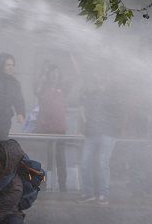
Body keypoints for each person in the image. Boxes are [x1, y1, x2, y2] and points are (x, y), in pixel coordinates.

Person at [78, 72, 123, 205]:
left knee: (103, 163)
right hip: (92, 133)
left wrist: (114, 131)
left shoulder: (114, 96)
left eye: (103, 77)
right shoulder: (91, 95)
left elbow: (118, 114)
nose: (100, 80)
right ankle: (88, 193)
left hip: (108, 134)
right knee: (85, 163)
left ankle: (104, 194)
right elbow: (84, 110)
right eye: (98, 77)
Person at [34, 64, 68, 192]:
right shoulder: (43, 88)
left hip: (60, 128)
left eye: (57, 73)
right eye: (53, 73)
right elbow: (36, 88)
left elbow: (77, 76)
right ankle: (43, 184)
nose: (55, 75)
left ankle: (62, 185)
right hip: (45, 128)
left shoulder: (63, 88)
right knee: (45, 158)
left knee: (60, 157)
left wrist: (71, 56)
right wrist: (43, 73)